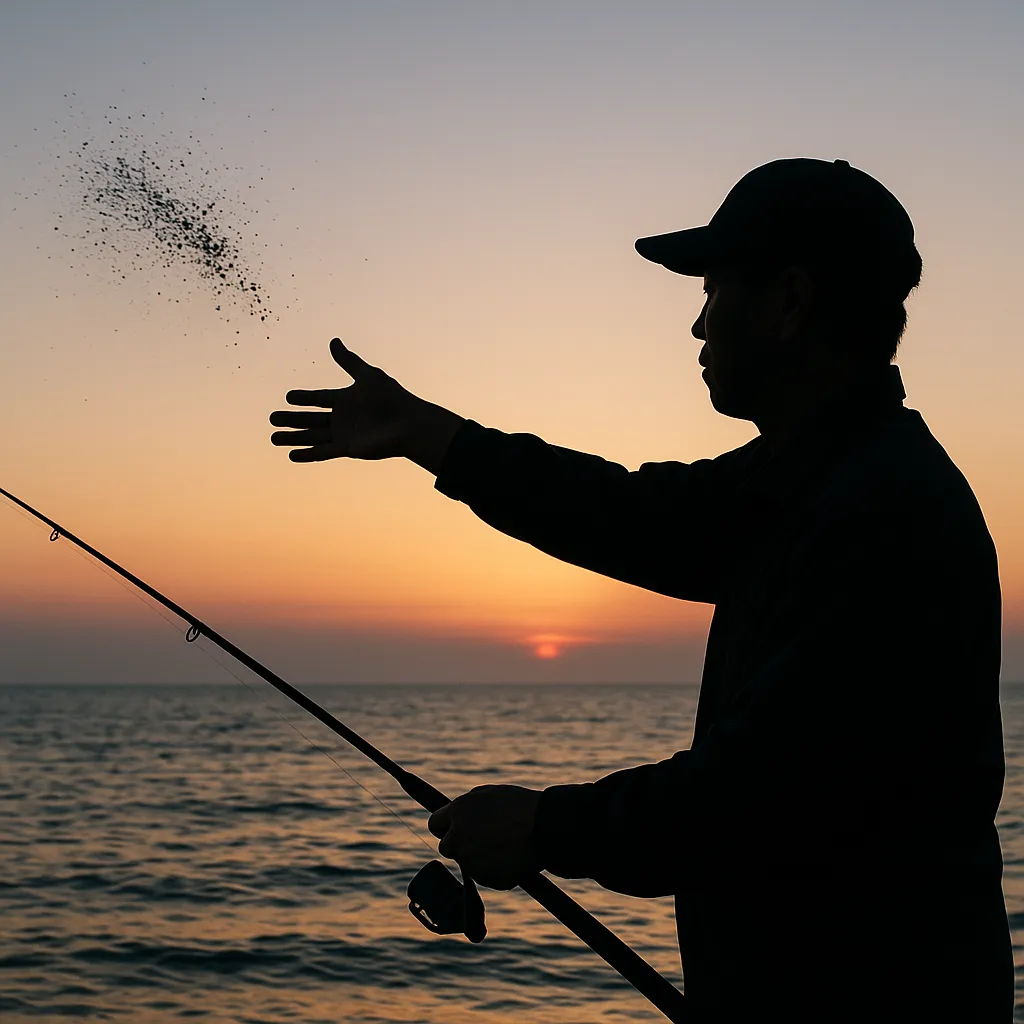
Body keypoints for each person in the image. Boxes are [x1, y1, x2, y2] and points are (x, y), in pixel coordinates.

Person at [270, 158, 1012, 1022]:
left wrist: (544, 829)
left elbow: (757, 796)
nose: (698, 324)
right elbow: (628, 512)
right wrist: (430, 436)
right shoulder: (809, 480)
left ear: (790, 301)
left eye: (714, 290)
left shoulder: (885, 512)